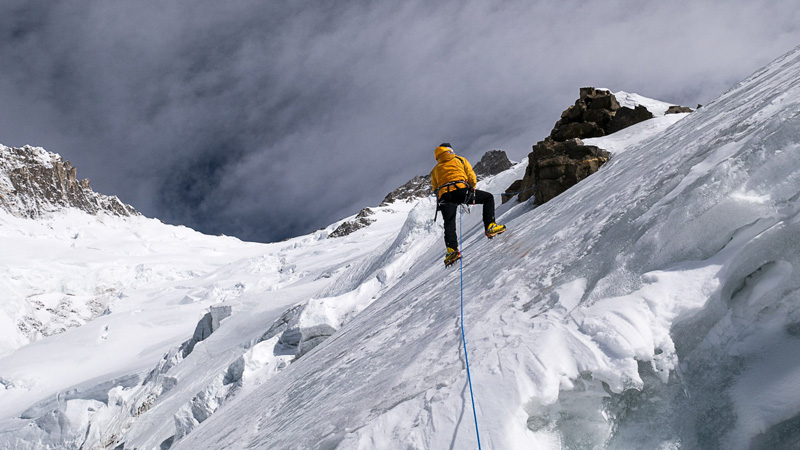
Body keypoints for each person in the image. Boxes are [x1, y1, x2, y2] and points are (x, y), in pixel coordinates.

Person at [430, 143, 506, 266]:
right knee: (488, 198)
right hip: (461, 190)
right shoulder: (460, 159)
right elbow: (471, 176)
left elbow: (434, 188)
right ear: (450, 150)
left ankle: (452, 251)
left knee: (449, 223)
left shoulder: (435, 169)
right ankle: (490, 226)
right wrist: (471, 189)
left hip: (444, 196)